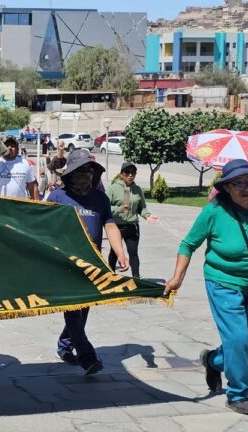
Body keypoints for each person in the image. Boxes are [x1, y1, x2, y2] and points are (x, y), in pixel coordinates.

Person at [164, 159, 248, 415]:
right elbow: (188, 244)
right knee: (238, 339)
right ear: (227, 187)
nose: (246, 187)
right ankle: (237, 394)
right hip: (222, 282)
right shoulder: (214, 212)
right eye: (238, 183)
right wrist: (177, 278)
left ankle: (214, 361)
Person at [46, 149, 129, 375]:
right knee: (73, 310)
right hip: (66, 265)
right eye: (80, 171)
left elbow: (110, 226)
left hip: (92, 264)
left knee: (83, 309)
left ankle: (65, 344)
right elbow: (43, 228)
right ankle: (87, 356)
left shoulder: (99, 199)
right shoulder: (57, 198)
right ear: (70, 174)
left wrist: (119, 252)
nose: (85, 175)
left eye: (89, 171)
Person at [106, 162, 158, 278]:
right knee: (114, 252)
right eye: (127, 172)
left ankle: (136, 277)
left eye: (133, 173)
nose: (130, 175)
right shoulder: (113, 188)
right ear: (121, 174)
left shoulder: (137, 189)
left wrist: (147, 215)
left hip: (132, 226)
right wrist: (118, 209)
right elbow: (104, 207)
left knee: (133, 252)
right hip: (116, 227)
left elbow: (142, 207)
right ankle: (110, 276)